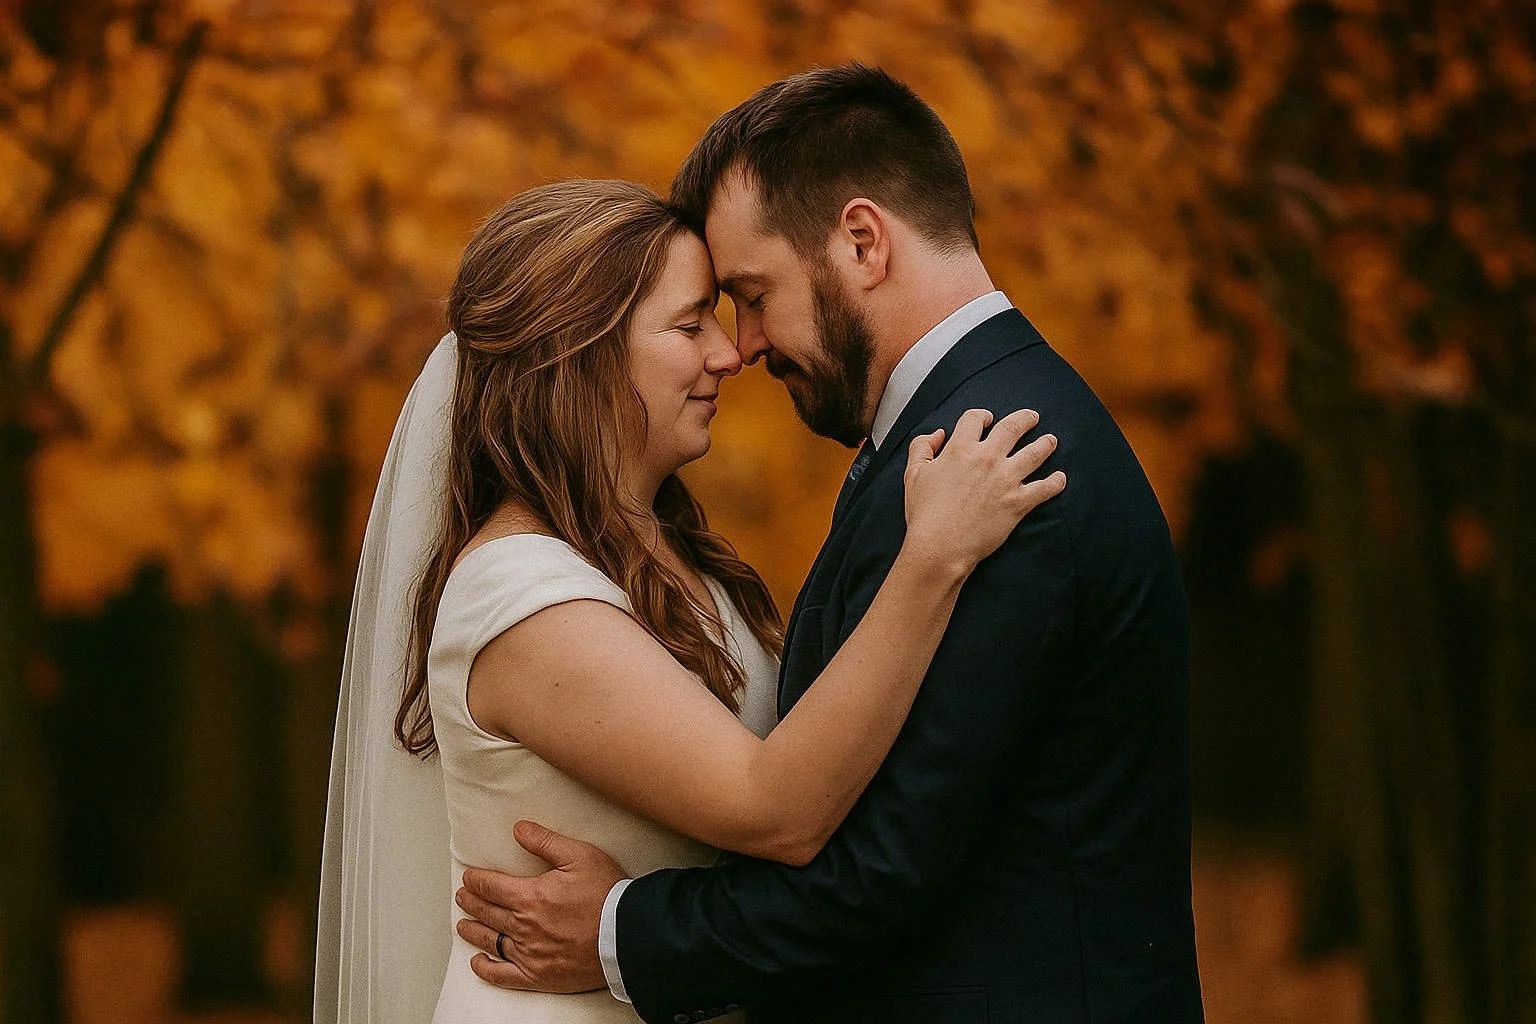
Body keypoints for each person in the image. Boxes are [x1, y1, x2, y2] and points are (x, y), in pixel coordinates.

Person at [455, 65, 1206, 1024]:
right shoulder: (954, 442)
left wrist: (620, 927)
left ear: (861, 241)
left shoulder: (1004, 465)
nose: (746, 345)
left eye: (752, 295)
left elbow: (878, 868)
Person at [313, 178, 1065, 1024]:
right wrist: (936, 557)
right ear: (581, 353)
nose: (728, 353)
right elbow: (774, 809)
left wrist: (626, 915)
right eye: (688, 324)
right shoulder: (517, 591)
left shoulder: (669, 553)